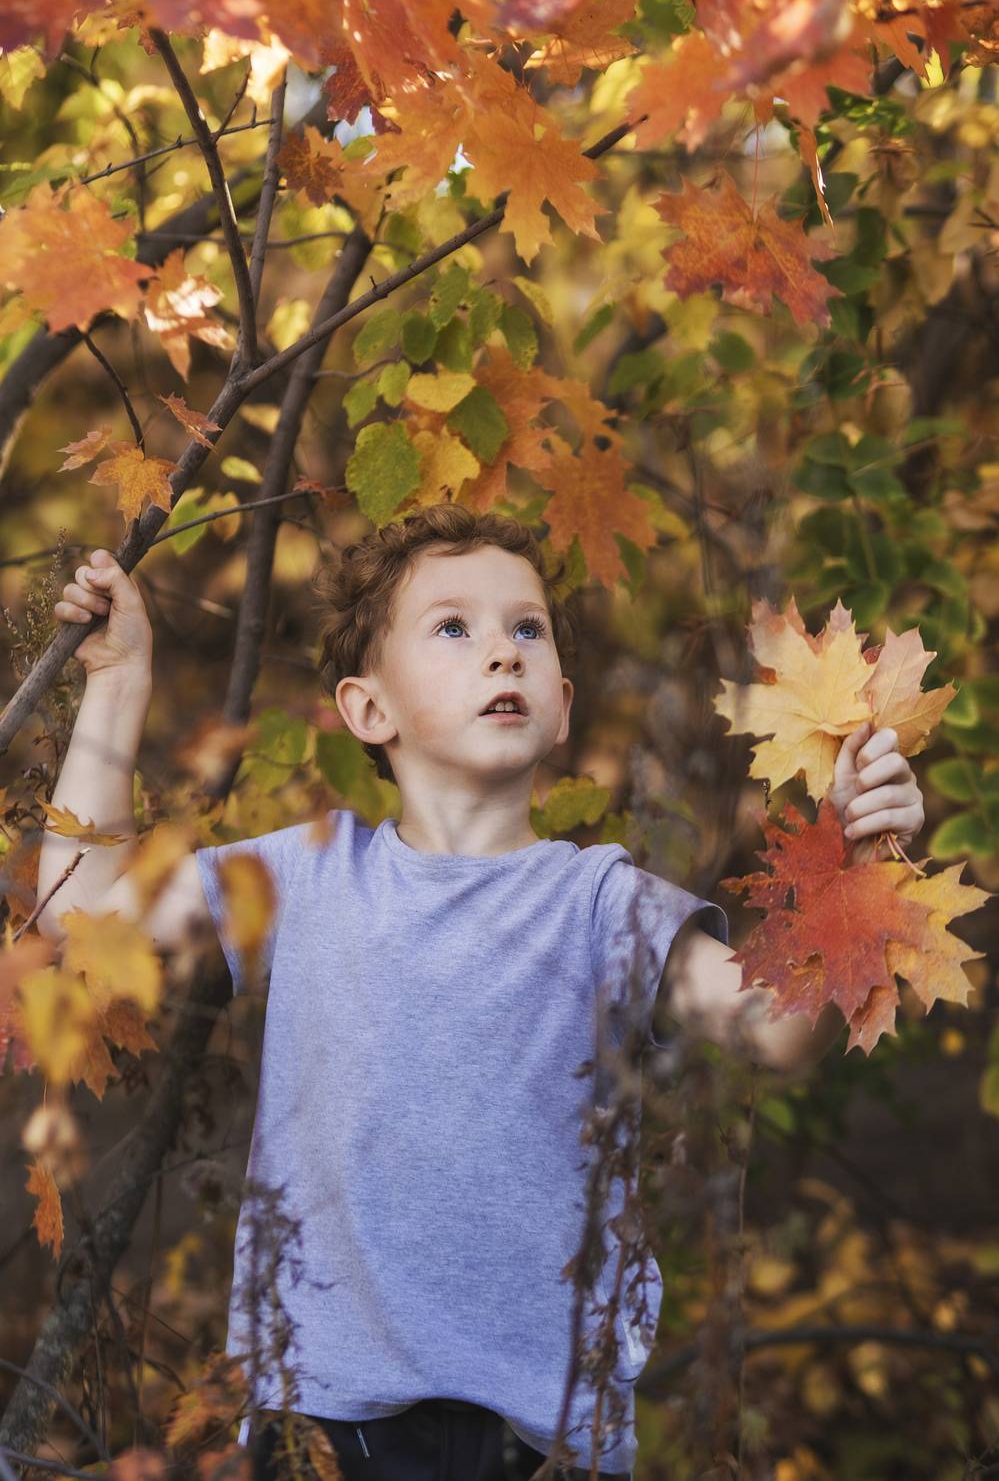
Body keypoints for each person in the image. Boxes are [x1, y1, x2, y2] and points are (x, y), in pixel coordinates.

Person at [37, 504, 925, 1481]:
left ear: (563, 705)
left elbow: (775, 1029)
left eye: (527, 629)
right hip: (323, 1415)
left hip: (543, 1438)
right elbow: (87, 921)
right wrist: (118, 683)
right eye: (454, 626)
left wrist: (859, 869)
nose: (502, 650)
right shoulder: (306, 875)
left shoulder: (604, 903)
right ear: (368, 709)